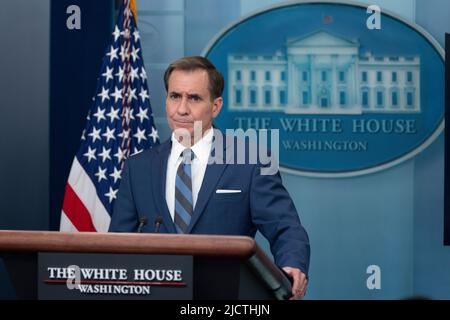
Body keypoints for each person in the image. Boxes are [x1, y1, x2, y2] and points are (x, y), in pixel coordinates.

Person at [109, 56, 310, 299]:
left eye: (194, 98)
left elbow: (285, 228)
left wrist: (293, 265)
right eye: (175, 96)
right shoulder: (138, 167)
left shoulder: (250, 162)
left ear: (215, 106)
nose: (182, 109)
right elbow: (117, 245)